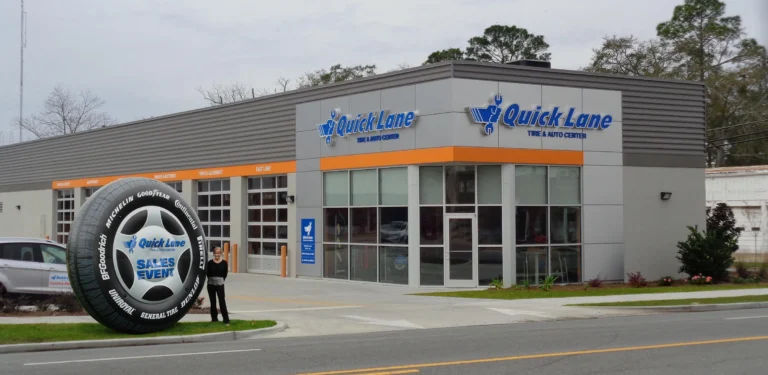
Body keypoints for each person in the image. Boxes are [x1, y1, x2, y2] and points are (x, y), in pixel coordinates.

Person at [206, 246, 230, 325]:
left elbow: (225, 274)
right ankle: (214, 319)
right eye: (216, 253)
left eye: (219, 253)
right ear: (213, 254)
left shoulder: (224, 263)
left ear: (221, 254)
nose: (217, 254)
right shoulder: (209, 263)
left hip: (220, 284)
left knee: (222, 301)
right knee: (213, 302)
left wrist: (220, 280)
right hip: (211, 284)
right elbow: (208, 273)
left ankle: (226, 320)